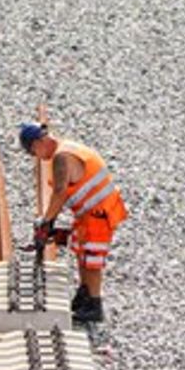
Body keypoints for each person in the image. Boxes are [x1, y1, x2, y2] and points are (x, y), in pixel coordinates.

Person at [20, 122, 126, 326]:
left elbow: (60, 192)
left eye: (33, 152)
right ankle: (84, 295)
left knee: (91, 258)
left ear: (39, 142)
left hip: (98, 213)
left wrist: (46, 221)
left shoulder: (61, 157)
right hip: (89, 213)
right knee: (81, 251)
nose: (36, 157)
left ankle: (94, 305)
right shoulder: (67, 148)